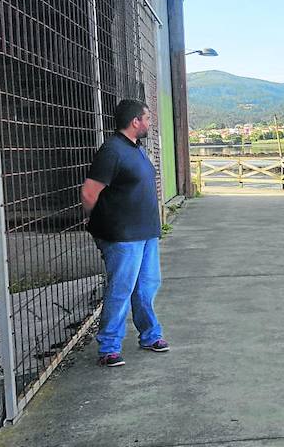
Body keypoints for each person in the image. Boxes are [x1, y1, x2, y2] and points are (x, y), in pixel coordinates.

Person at [81, 99, 169, 367]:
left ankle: (150, 335)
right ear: (135, 122)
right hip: (122, 236)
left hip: (145, 234)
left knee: (146, 287)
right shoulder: (112, 150)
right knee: (121, 290)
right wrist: (101, 223)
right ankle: (109, 347)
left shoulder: (137, 149)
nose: (149, 123)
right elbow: (89, 192)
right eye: (147, 119)